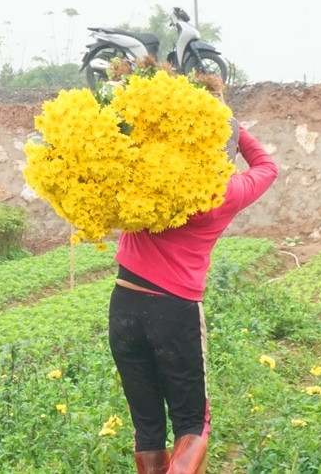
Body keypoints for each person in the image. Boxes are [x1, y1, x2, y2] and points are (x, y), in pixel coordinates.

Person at [108, 112, 278, 474]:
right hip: (174, 311)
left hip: (124, 304)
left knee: (147, 426)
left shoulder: (152, 175)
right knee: (192, 424)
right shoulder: (227, 191)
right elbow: (267, 166)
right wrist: (235, 127)